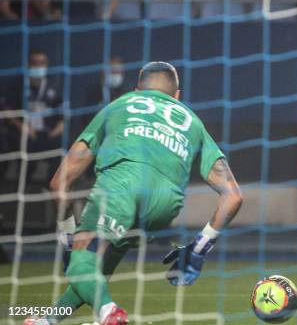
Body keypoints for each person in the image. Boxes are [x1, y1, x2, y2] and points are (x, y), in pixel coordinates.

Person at [25, 62, 243, 324]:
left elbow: (60, 182)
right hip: (164, 208)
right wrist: (198, 249)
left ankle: (110, 313)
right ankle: (48, 321)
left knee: (80, 262)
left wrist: (67, 237)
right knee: (99, 269)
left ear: (136, 89)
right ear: (177, 96)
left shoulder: (119, 105)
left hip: (121, 191)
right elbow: (233, 196)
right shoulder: (193, 122)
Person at [4, 49, 64, 188]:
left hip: (47, 133)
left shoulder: (53, 85)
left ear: (47, 65)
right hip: (23, 132)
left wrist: (58, 128)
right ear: (28, 65)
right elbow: (7, 112)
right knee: (25, 145)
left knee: (60, 146)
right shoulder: (17, 85)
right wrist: (23, 127)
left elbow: (62, 115)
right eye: (34, 63)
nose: (38, 66)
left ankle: (52, 187)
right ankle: (24, 187)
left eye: (41, 63)